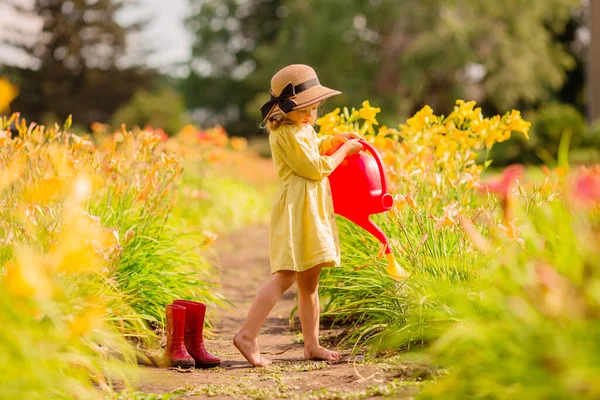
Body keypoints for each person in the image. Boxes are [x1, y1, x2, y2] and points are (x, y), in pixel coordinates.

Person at [233, 64, 364, 367]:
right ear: (284, 108)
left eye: (314, 108)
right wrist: (344, 153)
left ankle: (312, 345)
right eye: (305, 108)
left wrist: (335, 140)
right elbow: (314, 167)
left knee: (310, 283)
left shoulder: (300, 128)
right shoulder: (284, 134)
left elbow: (315, 147)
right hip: (296, 209)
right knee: (285, 277)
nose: (310, 115)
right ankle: (247, 335)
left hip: (310, 208)